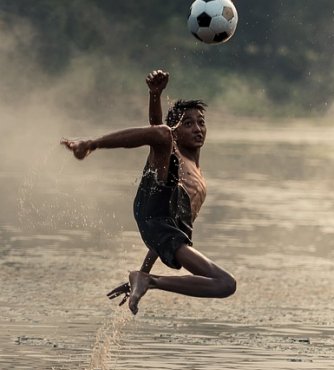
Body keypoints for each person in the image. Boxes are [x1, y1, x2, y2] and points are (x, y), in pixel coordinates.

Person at [60, 70, 236, 315]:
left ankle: (146, 279)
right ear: (177, 131)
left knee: (225, 285)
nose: (197, 128)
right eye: (188, 123)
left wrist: (143, 271)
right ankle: (90, 144)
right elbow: (157, 129)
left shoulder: (198, 178)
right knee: (160, 135)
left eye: (201, 122)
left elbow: (163, 237)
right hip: (153, 203)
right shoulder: (173, 153)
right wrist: (155, 95)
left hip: (163, 225)